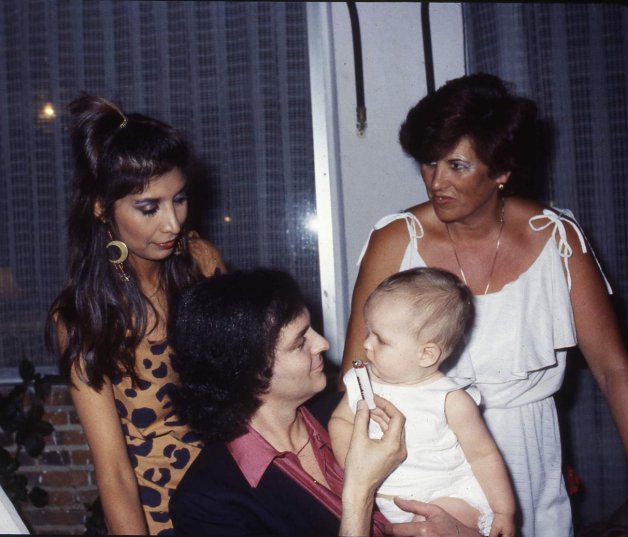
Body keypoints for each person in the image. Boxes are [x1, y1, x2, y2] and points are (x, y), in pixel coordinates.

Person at [340, 73, 628, 537]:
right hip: (425, 461)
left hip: (528, 456)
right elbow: (356, 369)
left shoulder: (557, 238)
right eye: (429, 163)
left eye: (457, 165)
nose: (436, 181)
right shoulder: (395, 239)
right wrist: (382, 498)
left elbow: (615, 370)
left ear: (501, 171)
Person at [168, 268, 483, 537]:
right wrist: (359, 493)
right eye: (300, 341)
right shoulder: (209, 500)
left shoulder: (347, 412)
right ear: (247, 369)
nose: (324, 343)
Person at [46, 94, 226, 535]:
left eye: (179, 200)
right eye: (150, 208)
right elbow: (113, 471)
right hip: (160, 513)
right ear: (102, 209)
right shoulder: (82, 317)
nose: (173, 224)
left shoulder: (202, 262)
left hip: (234, 495)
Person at [331, 267, 515, 537]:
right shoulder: (361, 381)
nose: (367, 344)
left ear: (426, 354)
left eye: (380, 339)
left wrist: (504, 511)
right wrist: (354, 467)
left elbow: (483, 455)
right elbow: (340, 421)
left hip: (448, 495)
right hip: (384, 500)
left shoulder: (450, 400)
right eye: (369, 331)